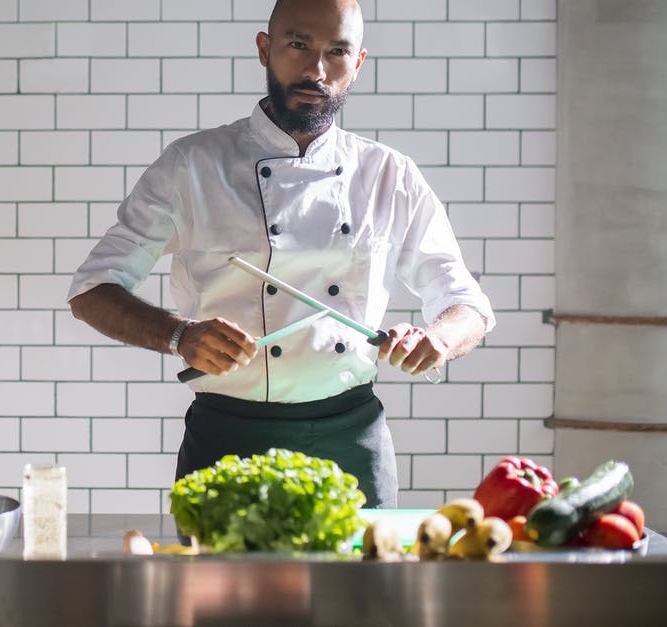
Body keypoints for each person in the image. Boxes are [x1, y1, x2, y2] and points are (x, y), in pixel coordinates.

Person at [66, 0, 494, 509]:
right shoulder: (193, 165)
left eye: (337, 52)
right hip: (228, 439)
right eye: (298, 45)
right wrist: (179, 335)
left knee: (359, 590)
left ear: (357, 64)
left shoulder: (389, 175)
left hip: (350, 438)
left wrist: (437, 340)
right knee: (215, 590)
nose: (316, 69)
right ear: (265, 49)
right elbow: (92, 290)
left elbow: (466, 302)